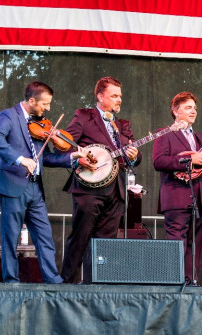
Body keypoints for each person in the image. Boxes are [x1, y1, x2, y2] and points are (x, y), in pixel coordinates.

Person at [0, 81, 88, 283]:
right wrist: (20, 159)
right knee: (10, 238)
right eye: (45, 104)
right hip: (13, 186)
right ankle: (11, 281)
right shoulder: (9, 115)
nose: (48, 108)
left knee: (44, 236)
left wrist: (72, 157)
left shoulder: (40, 123)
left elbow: (47, 158)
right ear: (32, 100)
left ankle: (52, 279)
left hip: (35, 188)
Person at [60, 76, 142, 283]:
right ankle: (66, 284)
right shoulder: (84, 116)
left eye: (120, 96)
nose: (119, 100)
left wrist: (134, 155)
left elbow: (135, 156)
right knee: (81, 237)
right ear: (100, 96)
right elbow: (64, 143)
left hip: (116, 190)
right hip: (88, 189)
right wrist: (81, 159)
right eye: (114, 96)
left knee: (106, 243)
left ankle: (98, 284)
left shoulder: (122, 125)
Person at [153, 92, 202, 284]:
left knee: (194, 244)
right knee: (177, 243)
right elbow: (159, 161)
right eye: (188, 107)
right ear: (175, 110)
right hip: (175, 196)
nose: (193, 111)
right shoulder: (165, 134)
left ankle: (191, 282)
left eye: (194, 108)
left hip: (198, 198)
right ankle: (174, 282)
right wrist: (189, 159)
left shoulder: (201, 139)